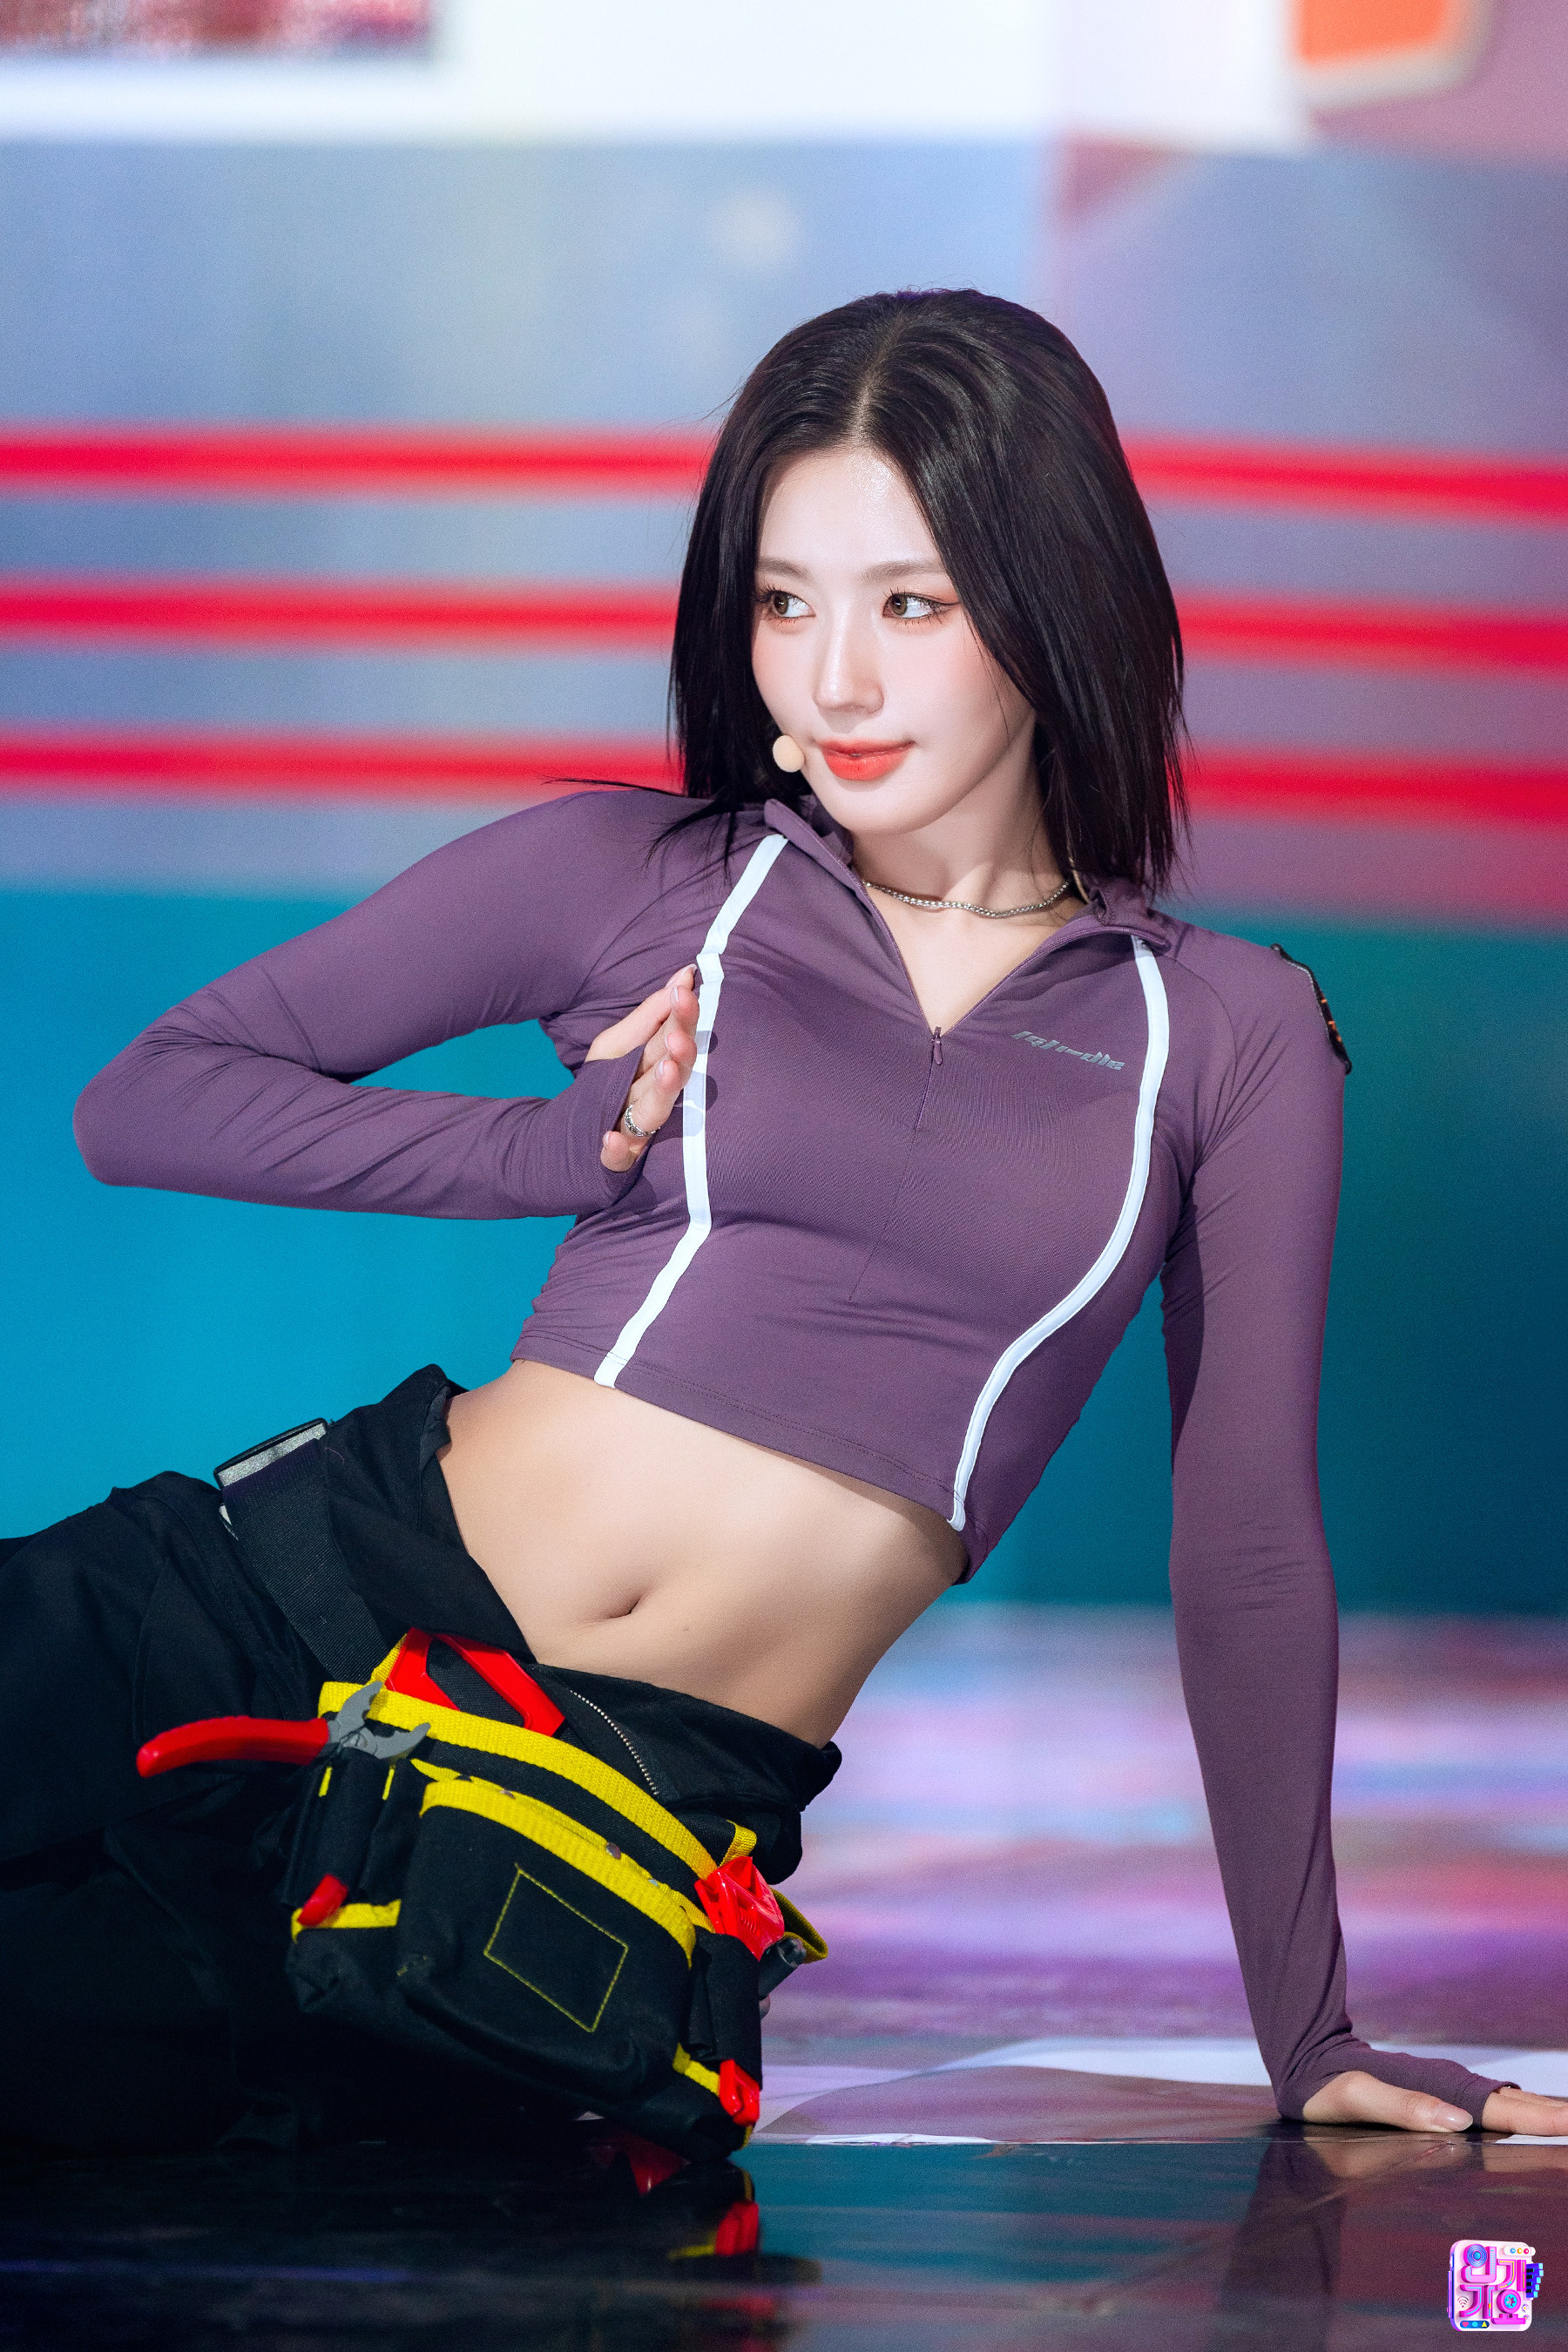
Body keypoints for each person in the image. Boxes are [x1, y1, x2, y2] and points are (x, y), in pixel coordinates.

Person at [6, 289, 1564, 2153]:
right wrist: (546, 1155)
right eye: (782, 600)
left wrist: (1311, 2035)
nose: (832, 681)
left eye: (910, 604)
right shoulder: (643, 879)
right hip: (260, 1605)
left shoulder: (1226, 1032)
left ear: (1055, 600)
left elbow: (1243, 1548)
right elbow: (147, 1097)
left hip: (611, 1821)